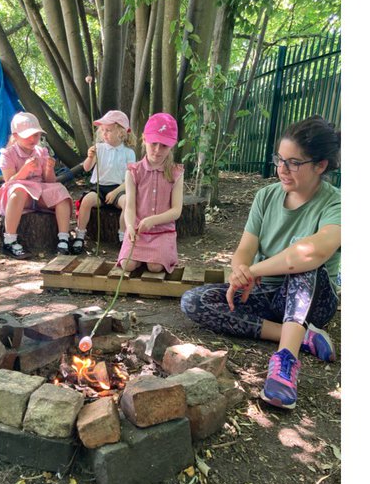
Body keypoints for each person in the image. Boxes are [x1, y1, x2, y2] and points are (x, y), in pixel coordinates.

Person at [180, 117, 340, 411]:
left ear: (321, 165)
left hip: (314, 300)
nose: (282, 169)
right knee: (195, 301)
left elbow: (311, 254)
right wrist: (241, 270)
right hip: (269, 294)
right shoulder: (265, 197)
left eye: (294, 162)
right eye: (279, 159)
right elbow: (245, 249)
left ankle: (285, 365)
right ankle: (305, 337)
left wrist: (254, 270)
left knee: (303, 267)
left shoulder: (336, 204)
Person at [0, 112, 73, 258]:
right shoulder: (8, 154)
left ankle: (63, 238)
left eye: (36, 135)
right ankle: (10, 240)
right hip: (19, 196)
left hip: (40, 193)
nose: (33, 139)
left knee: (61, 191)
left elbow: (50, 182)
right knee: (18, 190)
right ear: (16, 136)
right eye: (28, 135)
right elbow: (9, 181)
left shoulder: (41, 151)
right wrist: (25, 169)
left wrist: (49, 168)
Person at [119, 112, 184, 274]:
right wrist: (129, 226)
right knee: (127, 264)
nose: (157, 150)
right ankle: (140, 257)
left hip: (162, 232)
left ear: (172, 145)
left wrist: (153, 220)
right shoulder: (133, 171)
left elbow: (176, 210)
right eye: (153, 143)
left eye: (164, 146)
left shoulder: (176, 172)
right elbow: (130, 207)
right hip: (138, 231)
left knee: (155, 267)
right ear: (144, 139)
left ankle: (154, 257)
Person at [72, 109, 133, 253]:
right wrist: (89, 156)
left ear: (121, 133)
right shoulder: (98, 148)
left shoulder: (128, 153)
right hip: (100, 187)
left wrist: (116, 191)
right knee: (86, 201)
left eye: (109, 130)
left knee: (127, 203)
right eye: (103, 130)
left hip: (119, 188)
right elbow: (87, 168)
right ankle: (80, 235)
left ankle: (123, 237)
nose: (104, 133)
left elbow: (131, 179)